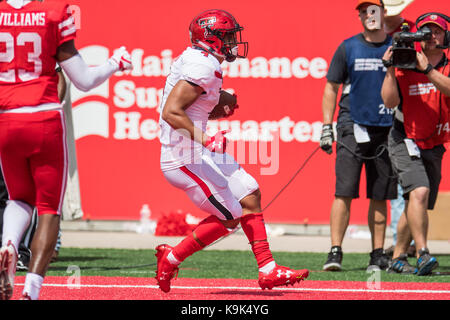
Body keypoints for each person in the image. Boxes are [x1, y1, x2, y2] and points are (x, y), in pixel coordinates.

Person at [155, 9, 309, 293]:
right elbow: (171, 112)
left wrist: (217, 107)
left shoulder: (203, 61)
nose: (232, 43)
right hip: (183, 158)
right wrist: (207, 139)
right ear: (210, 37)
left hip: (195, 150)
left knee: (250, 191)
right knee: (231, 216)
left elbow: (192, 108)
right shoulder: (202, 66)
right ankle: (171, 257)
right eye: (226, 36)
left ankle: (268, 269)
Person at [0, 0, 132, 300]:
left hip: (6, 117)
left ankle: (8, 243)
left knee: (18, 197)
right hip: (44, 115)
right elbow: (84, 80)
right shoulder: (54, 12)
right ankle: (31, 291)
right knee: (49, 208)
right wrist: (115, 63)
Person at [320, 0, 397, 272]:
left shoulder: (395, 46)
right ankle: (335, 251)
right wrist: (326, 126)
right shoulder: (348, 47)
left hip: (386, 127)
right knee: (344, 191)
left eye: (374, 9)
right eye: (364, 11)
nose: (369, 15)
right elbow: (331, 86)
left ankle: (377, 254)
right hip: (351, 125)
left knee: (380, 193)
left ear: (384, 13)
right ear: (360, 16)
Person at [381, 13, 449, 275]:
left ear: (446, 36)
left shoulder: (445, 65)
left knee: (416, 202)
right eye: (426, 32)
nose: (432, 36)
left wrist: (427, 70)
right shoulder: (404, 62)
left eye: (437, 31)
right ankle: (423, 253)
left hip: (434, 142)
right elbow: (388, 102)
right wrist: (389, 68)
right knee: (418, 192)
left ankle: (397, 257)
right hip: (404, 138)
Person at [382, 0, 417, 258]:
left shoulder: (415, 32)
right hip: (381, 110)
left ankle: (404, 241)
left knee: (407, 185)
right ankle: (400, 241)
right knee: (394, 183)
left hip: (408, 114)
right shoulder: (372, 34)